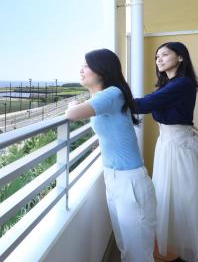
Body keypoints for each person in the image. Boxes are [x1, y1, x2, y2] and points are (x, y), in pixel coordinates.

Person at [134, 41, 198, 262]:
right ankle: (181, 247)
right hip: (168, 145)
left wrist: (111, 97)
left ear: (181, 58)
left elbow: (143, 105)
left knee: (188, 198)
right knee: (172, 197)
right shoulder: (169, 85)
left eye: (165, 55)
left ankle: (197, 251)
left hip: (179, 147)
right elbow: (148, 104)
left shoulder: (182, 84)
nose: (159, 59)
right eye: (157, 56)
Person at [66, 48, 156, 262]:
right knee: (125, 248)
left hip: (129, 182)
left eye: (86, 65)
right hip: (113, 178)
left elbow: (72, 114)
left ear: (102, 70)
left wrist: (71, 105)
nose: (81, 69)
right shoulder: (104, 97)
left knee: (138, 253)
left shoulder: (113, 93)